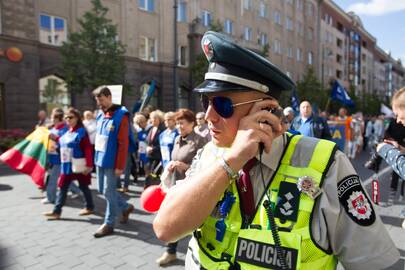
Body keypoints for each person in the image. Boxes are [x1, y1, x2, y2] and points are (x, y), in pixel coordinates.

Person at [153, 31, 399, 270]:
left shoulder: (327, 164)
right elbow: (165, 228)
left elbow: (377, 263)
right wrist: (232, 160)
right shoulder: (209, 154)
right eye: (206, 101)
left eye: (222, 104)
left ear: (266, 111)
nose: (208, 116)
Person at [156, 109, 206, 266]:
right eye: (177, 123)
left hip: (192, 188)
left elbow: (206, 168)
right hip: (175, 186)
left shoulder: (200, 141)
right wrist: (171, 166)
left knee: (192, 222)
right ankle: (171, 252)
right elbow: (174, 157)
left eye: (182, 123)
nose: (179, 126)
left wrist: (186, 166)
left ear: (192, 124)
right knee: (174, 219)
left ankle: (199, 254)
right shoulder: (177, 138)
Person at [92, 87, 135, 238]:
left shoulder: (121, 115)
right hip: (100, 159)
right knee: (102, 190)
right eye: (98, 102)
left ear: (109, 97)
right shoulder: (100, 115)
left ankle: (109, 223)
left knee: (108, 192)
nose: (100, 104)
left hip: (111, 161)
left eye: (102, 100)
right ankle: (125, 206)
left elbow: (123, 143)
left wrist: (120, 166)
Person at [43, 108, 95, 220]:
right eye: (66, 117)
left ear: (77, 118)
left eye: (71, 117)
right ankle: (57, 211)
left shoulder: (81, 131)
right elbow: (63, 142)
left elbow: (87, 149)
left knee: (83, 186)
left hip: (79, 164)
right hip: (67, 165)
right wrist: (55, 138)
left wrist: (89, 165)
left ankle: (89, 207)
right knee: (63, 186)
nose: (68, 119)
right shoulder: (69, 131)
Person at [42, 108, 80, 204]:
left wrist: (55, 138)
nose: (51, 119)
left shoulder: (65, 129)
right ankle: (78, 191)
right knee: (64, 177)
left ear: (57, 119)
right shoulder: (52, 128)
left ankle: (51, 197)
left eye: (52, 117)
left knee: (52, 179)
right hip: (52, 157)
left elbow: (65, 141)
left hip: (60, 158)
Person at [145, 110, 165, 175]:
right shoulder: (150, 129)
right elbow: (147, 141)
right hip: (149, 156)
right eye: (152, 119)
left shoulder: (162, 130)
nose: (153, 121)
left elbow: (162, 144)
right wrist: (147, 147)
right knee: (149, 173)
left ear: (159, 120)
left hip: (157, 156)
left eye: (155, 119)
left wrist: (152, 149)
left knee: (154, 174)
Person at [133, 113, 150, 179]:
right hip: (141, 151)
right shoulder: (140, 130)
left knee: (147, 166)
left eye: (140, 124)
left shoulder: (149, 129)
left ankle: (148, 180)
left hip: (148, 151)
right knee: (143, 165)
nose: (139, 126)